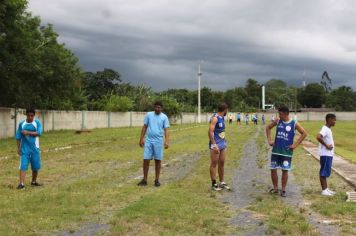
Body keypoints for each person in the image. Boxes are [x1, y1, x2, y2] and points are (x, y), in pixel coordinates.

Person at [266, 106, 307, 197]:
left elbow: (304, 133)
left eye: (280, 114)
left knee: (285, 170)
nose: (279, 116)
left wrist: (295, 145)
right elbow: (268, 128)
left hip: (287, 152)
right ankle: (275, 188)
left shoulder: (294, 123)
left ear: (286, 114)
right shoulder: (277, 121)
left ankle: (283, 190)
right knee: (273, 169)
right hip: (276, 151)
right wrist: (269, 140)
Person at [138, 101, 170, 187]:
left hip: (158, 141)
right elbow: (145, 126)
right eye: (156, 107)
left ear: (162, 108)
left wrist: (166, 141)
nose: (157, 109)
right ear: (154, 107)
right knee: (146, 160)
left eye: (159, 107)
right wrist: (141, 139)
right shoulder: (149, 115)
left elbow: (166, 129)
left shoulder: (164, 117)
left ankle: (157, 180)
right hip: (148, 141)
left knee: (158, 160)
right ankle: (144, 179)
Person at [15, 108, 43, 189]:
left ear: (34, 116)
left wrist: (27, 132)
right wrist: (18, 148)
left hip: (35, 149)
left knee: (35, 167)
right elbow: (18, 137)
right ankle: (21, 184)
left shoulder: (37, 123)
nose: (30, 117)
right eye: (29, 115)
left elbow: (39, 133)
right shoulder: (22, 124)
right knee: (23, 166)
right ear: (26, 115)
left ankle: (33, 182)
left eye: (32, 116)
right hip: (24, 149)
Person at [209, 103, 230, 191]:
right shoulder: (215, 118)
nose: (227, 112)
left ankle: (222, 182)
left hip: (222, 144)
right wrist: (214, 145)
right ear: (225, 110)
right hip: (216, 145)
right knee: (214, 164)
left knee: (221, 163)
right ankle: (214, 184)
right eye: (227, 110)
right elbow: (210, 132)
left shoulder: (222, 118)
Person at [317, 114, 336, 196]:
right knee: (323, 172)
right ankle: (324, 190)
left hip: (328, 154)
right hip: (325, 154)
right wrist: (327, 145)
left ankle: (326, 189)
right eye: (334, 120)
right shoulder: (325, 129)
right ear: (329, 119)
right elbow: (318, 137)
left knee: (326, 172)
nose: (335, 122)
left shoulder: (328, 129)